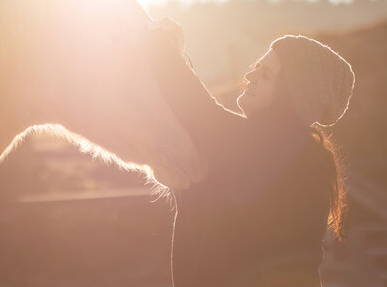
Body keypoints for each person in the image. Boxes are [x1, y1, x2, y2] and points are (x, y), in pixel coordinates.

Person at [141, 19, 354, 287]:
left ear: (291, 94)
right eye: (256, 67)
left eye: (266, 75)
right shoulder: (283, 148)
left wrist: (159, 45)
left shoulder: (286, 148)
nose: (250, 76)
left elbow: (201, 115)